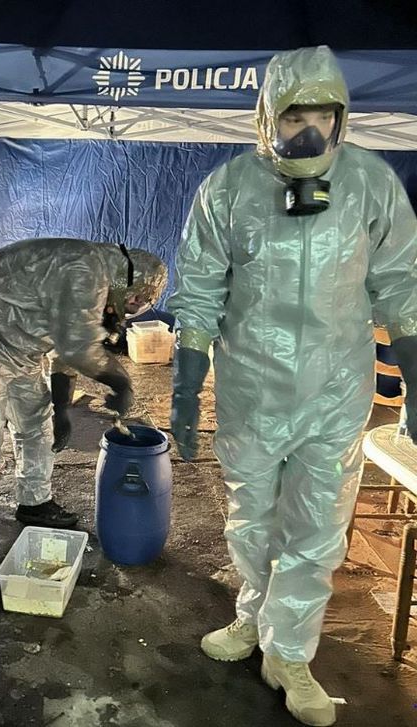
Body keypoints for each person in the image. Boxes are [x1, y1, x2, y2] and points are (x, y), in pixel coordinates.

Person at [169, 46, 417, 727]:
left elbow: (401, 283)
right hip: (252, 388)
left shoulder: (370, 185)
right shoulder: (226, 190)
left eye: (322, 116)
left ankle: (291, 652)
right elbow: (198, 290)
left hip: (336, 392)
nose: (308, 131)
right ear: (266, 119)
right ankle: (254, 617)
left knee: (316, 529)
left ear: (343, 118)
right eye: (293, 116)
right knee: (252, 519)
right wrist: (187, 384)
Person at [0, 238, 167, 591]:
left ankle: (33, 502)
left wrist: (60, 408)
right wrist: (120, 382)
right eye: (135, 300)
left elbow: (64, 345)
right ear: (130, 281)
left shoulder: (96, 278)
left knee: (35, 423)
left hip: (20, 343)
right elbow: (77, 346)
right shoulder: (87, 268)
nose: (131, 307)